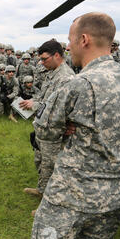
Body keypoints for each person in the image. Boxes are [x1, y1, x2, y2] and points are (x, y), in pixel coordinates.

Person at [27, 12, 120, 239]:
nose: (67, 47)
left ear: (84, 39)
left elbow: (44, 129)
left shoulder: (77, 85)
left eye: (69, 40)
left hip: (69, 196)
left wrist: (66, 125)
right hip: (114, 198)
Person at [20, 40, 75, 203]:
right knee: (41, 162)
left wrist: (34, 104)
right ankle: (42, 190)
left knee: (52, 168)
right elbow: (45, 97)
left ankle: (49, 204)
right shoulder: (52, 73)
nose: (41, 62)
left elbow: (58, 108)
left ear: (57, 55)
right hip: (43, 128)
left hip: (54, 131)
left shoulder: (65, 77)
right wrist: (33, 101)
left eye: (44, 59)